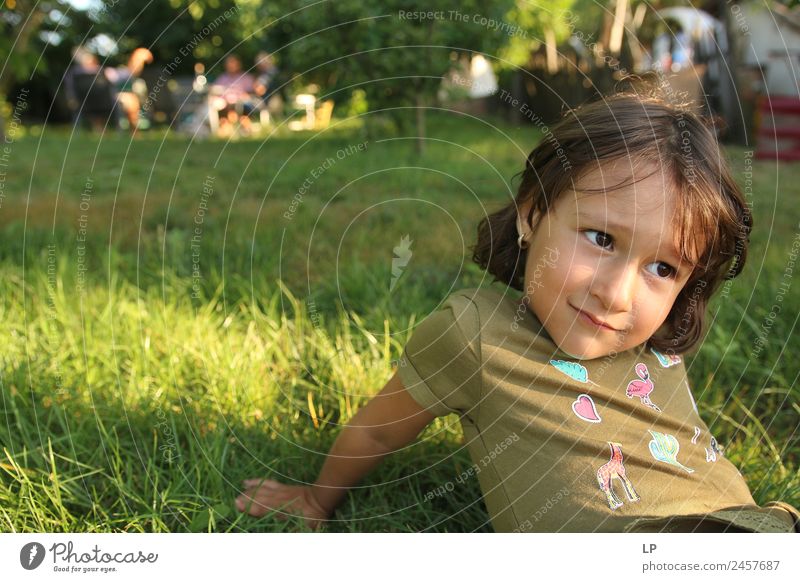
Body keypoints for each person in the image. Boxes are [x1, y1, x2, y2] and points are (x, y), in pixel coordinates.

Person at [234, 85, 800, 533]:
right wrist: (315, 498)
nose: (618, 295)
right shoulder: (474, 330)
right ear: (533, 214)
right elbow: (379, 432)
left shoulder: (656, 349)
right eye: (601, 238)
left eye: (663, 269)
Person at [210, 54, 256, 136]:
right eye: (228, 63)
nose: (230, 65)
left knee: (237, 109)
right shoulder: (222, 78)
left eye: (233, 63)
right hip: (224, 105)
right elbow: (215, 90)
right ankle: (226, 128)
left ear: (238, 64)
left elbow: (250, 93)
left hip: (242, 104)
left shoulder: (246, 77)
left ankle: (239, 127)